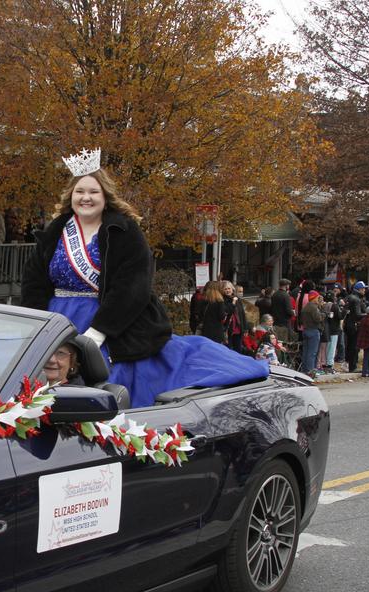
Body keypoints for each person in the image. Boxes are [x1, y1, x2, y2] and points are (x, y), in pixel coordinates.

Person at [20, 155, 266, 408]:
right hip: (57, 321)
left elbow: (132, 285)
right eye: (79, 191)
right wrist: (34, 325)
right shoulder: (55, 232)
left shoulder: (125, 231)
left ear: (105, 197)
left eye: (94, 191)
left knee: (105, 382)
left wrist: (99, 331)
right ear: (70, 195)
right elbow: (34, 282)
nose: (86, 197)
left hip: (111, 321)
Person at [344, 280, 367, 373]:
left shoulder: (349, 297)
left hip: (347, 324)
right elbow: (357, 315)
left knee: (349, 346)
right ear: (360, 289)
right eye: (364, 289)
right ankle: (353, 366)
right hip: (354, 325)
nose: (365, 291)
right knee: (354, 346)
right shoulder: (357, 299)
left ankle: (350, 365)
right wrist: (367, 314)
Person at [300, 290, 324, 374]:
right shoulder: (313, 307)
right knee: (312, 353)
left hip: (305, 330)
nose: (318, 299)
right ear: (313, 298)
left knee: (306, 352)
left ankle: (305, 370)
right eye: (317, 297)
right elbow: (318, 319)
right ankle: (311, 371)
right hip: (313, 331)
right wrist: (323, 315)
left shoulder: (305, 307)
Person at [223, 280, 247, 353]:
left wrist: (245, 328)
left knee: (238, 349)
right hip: (228, 329)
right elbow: (227, 312)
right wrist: (233, 302)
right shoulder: (223, 300)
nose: (227, 290)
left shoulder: (237, 299)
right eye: (225, 289)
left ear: (232, 289)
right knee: (228, 350)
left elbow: (242, 314)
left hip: (238, 328)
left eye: (229, 288)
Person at [270, 279, 294, 344]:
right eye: (288, 285)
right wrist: (293, 313)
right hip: (284, 322)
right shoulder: (286, 295)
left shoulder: (274, 294)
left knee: (277, 340)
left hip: (276, 321)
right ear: (286, 286)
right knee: (284, 341)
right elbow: (288, 310)